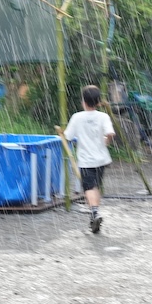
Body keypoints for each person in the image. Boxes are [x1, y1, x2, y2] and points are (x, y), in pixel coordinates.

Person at [63, 85, 115, 234]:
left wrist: (62, 135)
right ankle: (95, 215)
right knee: (96, 186)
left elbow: (67, 136)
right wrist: (106, 141)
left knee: (89, 188)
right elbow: (110, 133)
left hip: (86, 160)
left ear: (83, 101)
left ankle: (94, 212)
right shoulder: (103, 117)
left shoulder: (77, 117)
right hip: (101, 159)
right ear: (98, 102)